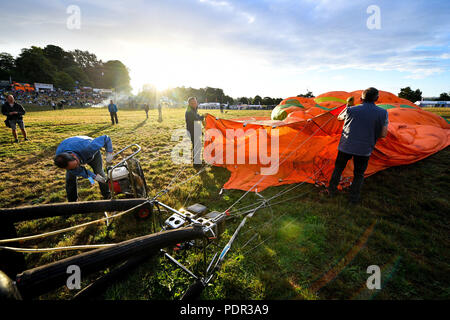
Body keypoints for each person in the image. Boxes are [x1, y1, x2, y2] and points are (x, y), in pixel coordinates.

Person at [328, 87, 388, 204]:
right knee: (359, 174)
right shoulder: (383, 113)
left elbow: (339, 117)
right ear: (377, 99)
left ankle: (331, 191)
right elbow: (383, 134)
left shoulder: (351, 109)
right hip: (364, 149)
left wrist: (347, 107)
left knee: (338, 168)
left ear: (361, 98)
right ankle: (353, 199)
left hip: (346, 146)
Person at [54, 135, 114, 202]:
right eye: (73, 168)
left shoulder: (88, 147)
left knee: (99, 171)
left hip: (90, 153)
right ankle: (72, 202)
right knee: (70, 178)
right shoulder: (62, 160)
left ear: (73, 156)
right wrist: (93, 177)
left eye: (76, 165)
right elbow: (80, 171)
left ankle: (107, 195)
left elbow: (106, 138)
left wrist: (109, 152)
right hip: (71, 147)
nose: (77, 168)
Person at [185, 97, 205, 165]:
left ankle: (197, 160)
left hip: (196, 130)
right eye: (192, 103)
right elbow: (196, 119)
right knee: (196, 146)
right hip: (192, 131)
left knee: (198, 145)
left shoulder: (194, 109)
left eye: (195, 102)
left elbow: (197, 116)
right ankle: (196, 163)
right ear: (189, 104)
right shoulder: (189, 111)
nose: (194, 104)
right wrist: (203, 116)